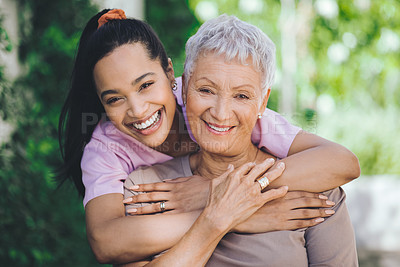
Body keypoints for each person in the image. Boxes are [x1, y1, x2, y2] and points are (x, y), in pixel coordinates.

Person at [57, 9, 360, 264]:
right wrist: (231, 213)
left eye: (145, 85)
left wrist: (212, 190)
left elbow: (342, 161)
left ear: (172, 77)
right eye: (114, 99)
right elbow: (107, 241)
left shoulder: (224, 100)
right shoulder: (126, 169)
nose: (137, 110)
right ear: (188, 87)